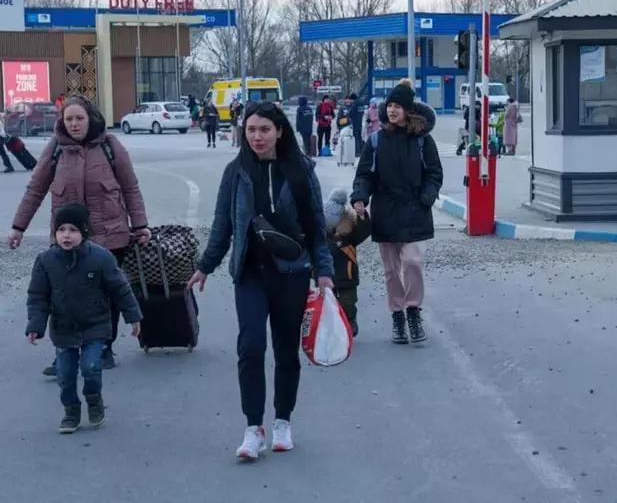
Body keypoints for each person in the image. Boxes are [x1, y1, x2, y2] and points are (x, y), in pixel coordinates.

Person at [187, 101, 334, 461]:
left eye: (264, 129)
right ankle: (253, 427)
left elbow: (316, 226)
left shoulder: (301, 171)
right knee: (250, 348)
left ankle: (283, 420)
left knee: (286, 350)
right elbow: (223, 224)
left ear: (279, 132)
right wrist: (206, 265)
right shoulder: (235, 172)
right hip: (250, 274)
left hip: (292, 273)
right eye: (251, 129)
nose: (257, 136)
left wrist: (325, 270)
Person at [8, 96, 151, 374]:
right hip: (67, 238)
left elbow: (130, 188)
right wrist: (18, 227)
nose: (74, 124)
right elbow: (35, 189)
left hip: (110, 235)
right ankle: (66, 353)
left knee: (106, 294)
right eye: (68, 119)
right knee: (66, 295)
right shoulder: (56, 150)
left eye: (79, 118)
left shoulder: (111, 147)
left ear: (91, 119)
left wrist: (140, 225)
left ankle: (103, 348)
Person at [26, 203, 143, 434]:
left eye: (73, 230)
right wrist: (35, 325)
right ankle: (71, 411)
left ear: (84, 233)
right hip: (63, 328)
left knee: (90, 367)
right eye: (61, 230)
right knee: (65, 375)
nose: (66, 235)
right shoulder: (46, 261)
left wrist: (133, 317)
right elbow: (37, 296)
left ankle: (94, 400)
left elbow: (120, 289)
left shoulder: (101, 258)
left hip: (96, 325)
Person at [351, 77, 443, 344]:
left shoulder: (423, 141)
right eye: (389, 105)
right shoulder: (377, 140)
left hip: (415, 211)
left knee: (413, 262)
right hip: (386, 212)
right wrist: (360, 198)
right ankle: (397, 316)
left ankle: (413, 310)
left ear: (407, 110)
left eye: (398, 106)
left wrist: (426, 198)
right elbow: (365, 174)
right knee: (391, 270)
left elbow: (434, 173)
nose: (392, 110)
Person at [322, 187, 371, 337]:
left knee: (348, 302)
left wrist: (362, 217)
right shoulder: (320, 236)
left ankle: (350, 320)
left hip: (347, 275)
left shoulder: (349, 232)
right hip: (326, 276)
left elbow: (363, 232)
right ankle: (331, 328)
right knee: (327, 304)